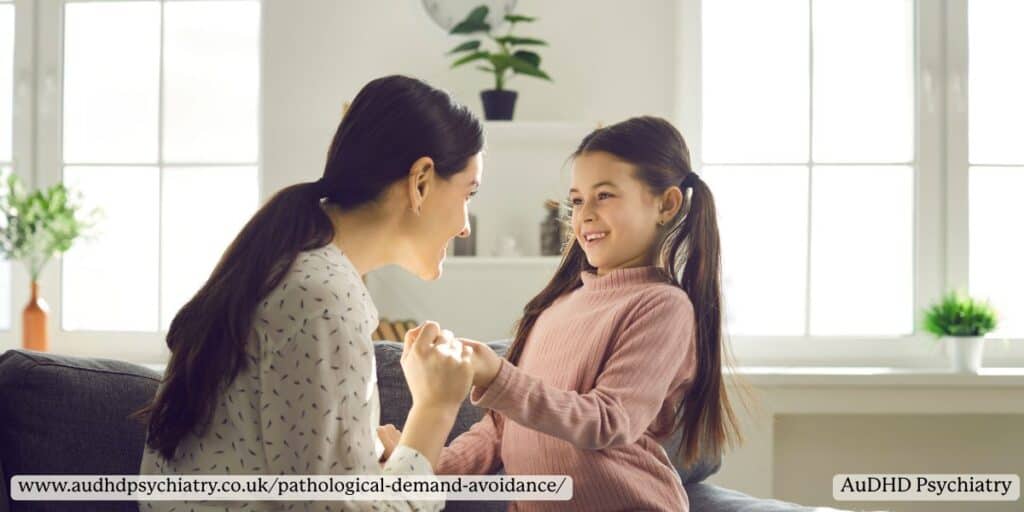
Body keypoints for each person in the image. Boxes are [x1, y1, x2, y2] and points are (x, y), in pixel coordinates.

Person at [134, 75, 485, 512]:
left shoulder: (295, 269)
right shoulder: (324, 298)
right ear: (421, 182)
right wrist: (435, 408)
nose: (465, 225)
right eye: (469, 193)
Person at [435, 116, 743, 512]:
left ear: (666, 204)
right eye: (578, 200)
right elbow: (500, 428)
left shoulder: (662, 306)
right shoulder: (556, 306)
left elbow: (609, 421)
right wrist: (417, 466)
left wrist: (498, 376)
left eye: (605, 196)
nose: (585, 215)